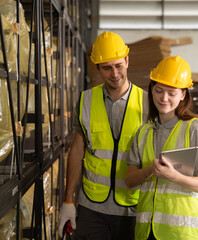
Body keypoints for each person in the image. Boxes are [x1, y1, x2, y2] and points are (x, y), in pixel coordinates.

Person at [58, 31, 148, 240]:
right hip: (92, 208)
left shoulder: (147, 103)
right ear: (97, 68)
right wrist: (68, 200)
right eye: (107, 68)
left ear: (127, 60)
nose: (114, 73)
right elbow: (77, 151)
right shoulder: (85, 101)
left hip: (132, 206)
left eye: (118, 65)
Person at [125, 56, 198, 240]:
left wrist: (173, 176)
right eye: (158, 90)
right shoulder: (143, 132)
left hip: (181, 233)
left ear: (183, 95)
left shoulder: (194, 127)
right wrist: (150, 169)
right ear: (151, 90)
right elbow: (129, 180)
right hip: (147, 232)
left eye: (172, 93)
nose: (164, 98)